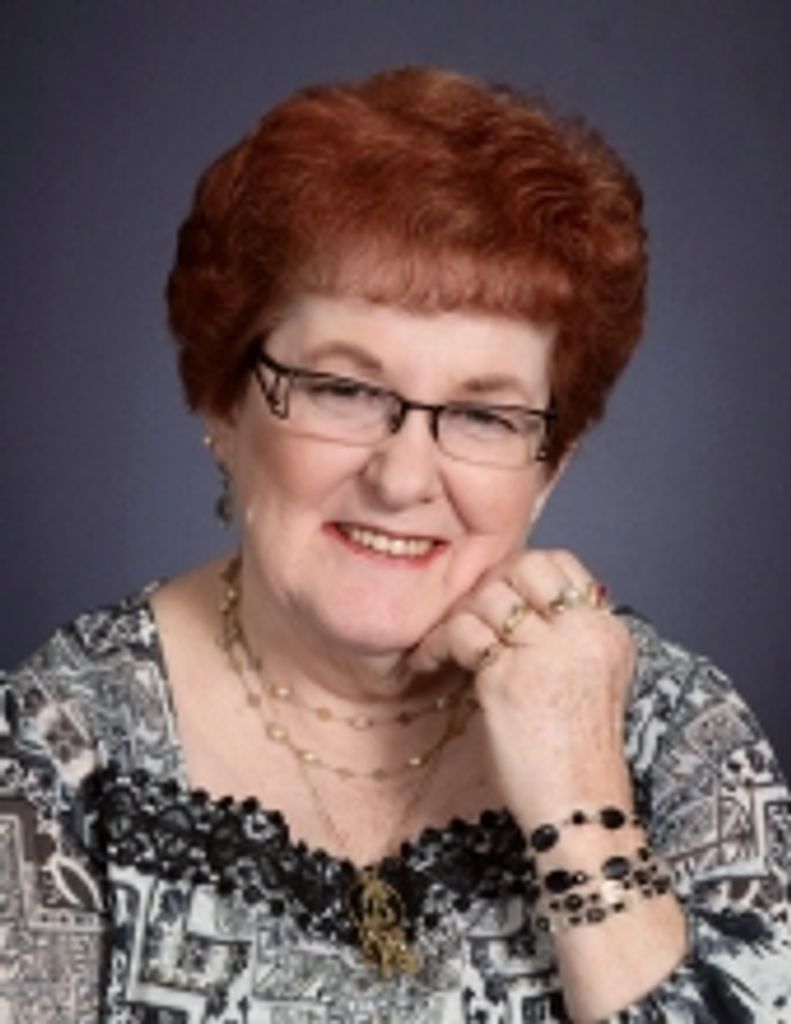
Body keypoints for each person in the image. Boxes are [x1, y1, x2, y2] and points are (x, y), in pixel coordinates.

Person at [1, 67, 788, 1024]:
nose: (404, 477)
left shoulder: (674, 732)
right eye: (343, 390)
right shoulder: (57, 751)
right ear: (222, 403)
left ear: (550, 466)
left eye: (484, 414)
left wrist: (579, 798)